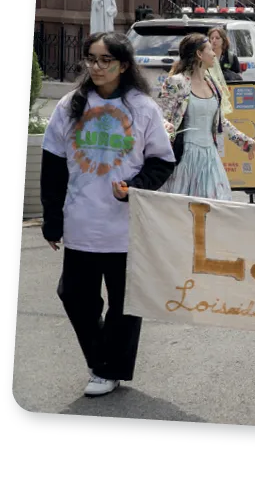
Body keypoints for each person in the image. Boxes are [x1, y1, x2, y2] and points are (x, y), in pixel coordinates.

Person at [40, 32, 176, 397]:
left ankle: (107, 370)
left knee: (125, 303)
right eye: (91, 58)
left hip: (126, 227)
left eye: (104, 60)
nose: (96, 67)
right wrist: (52, 219)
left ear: (124, 65)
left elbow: (162, 161)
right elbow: (53, 167)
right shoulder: (70, 105)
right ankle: (103, 360)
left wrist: (136, 186)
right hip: (82, 220)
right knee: (74, 295)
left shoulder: (143, 108)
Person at [157, 33, 255, 201]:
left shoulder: (212, 84)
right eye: (210, 50)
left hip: (210, 156)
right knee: (183, 209)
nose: (214, 53)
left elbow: (219, 120)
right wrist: (167, 133)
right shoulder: (177, 83)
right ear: (199, 54)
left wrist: (244, 141)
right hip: (185, 156)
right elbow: (161, 119)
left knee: (215, 206)